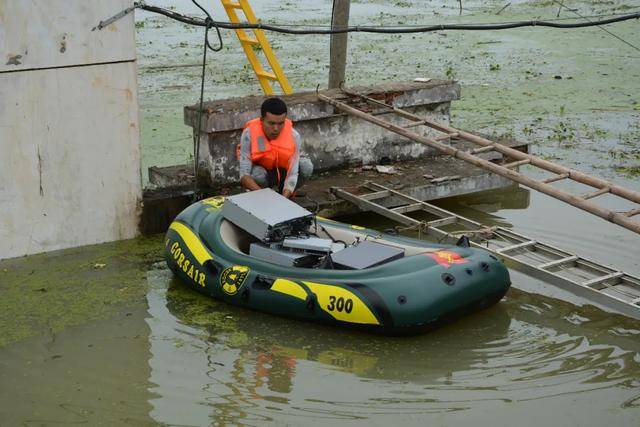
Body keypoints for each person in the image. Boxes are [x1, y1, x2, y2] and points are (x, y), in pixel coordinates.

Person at [238, 97, 313, 199]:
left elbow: (293, 173)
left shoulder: (294, 136)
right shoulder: (249, 134)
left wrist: (283, 200)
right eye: (271, 123)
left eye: (280, 123)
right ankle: (266, 196)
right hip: (263, 174)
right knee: (257, 174)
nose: (276, 129)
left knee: (306, 166)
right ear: (262, 120)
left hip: (283, 172)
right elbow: (244, 175)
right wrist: (266, 197)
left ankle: (287, 194)